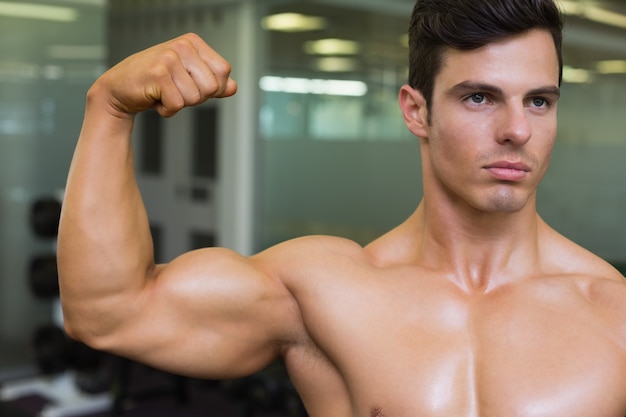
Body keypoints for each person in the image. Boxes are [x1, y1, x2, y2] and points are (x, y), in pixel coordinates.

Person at [58, 0, 626, 415]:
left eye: (539, 100)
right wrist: (107, 109)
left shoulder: (613, 315)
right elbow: (108, 312)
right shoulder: (327, 292)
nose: (517, 130)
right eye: (479, 97)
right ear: (416, 111)